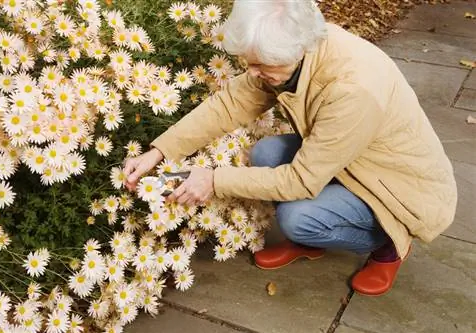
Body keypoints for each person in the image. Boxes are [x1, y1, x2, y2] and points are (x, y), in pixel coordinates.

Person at [123, 0, 457, 296]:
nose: (251, 73)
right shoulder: (294, 48)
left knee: (297, 218)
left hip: (395, 188)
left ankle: (390, 244)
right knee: (266, 154)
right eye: (249, 62)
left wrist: (213, 179)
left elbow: (301, 181)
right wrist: (159, 151)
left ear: (292, 53)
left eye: (259, 66)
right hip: (348, 159)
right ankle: (317, 239)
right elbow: (230, 104)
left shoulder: (352, 89)